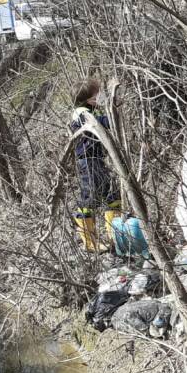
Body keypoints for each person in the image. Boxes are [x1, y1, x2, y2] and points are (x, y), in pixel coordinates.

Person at [68, 80, 122, 253]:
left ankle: (116, 237)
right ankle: (90, 243)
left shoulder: (86, 111)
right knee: (89, 199)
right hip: (88, 161)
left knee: (111, 196)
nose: (100, 96)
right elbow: (102, 123)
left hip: (95, 160)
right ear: (89, 99)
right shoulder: (82, 113)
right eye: (97, 94)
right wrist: (113, 108)